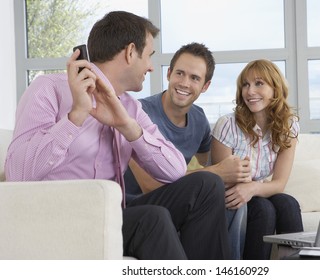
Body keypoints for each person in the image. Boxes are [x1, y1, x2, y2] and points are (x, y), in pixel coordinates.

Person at [5, 11, 231, 260]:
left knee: (206, 186)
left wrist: (126, 126)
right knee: (153, 219)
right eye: (149, 56)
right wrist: (76, 115)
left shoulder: (131, 109)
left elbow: (175, 170)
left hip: (112, 213)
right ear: (130, 52)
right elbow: (18, 174)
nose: (151, 66)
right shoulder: (48, 89)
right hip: (61, 216)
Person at [124, 42, 252, 259]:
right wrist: (217, 172)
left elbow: (199, 170)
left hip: (175, 204)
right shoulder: (139, 112)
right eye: (180, 73)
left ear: (205, 86)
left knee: (234, 198)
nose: (184, 83)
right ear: (169, 74)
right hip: (138, 204)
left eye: (194, 78)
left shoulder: (199, 119)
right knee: (210, 181)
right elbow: (150, 185)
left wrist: (236, 176)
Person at [211, 59, 304, 259]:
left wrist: (253, 188)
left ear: (275, 88)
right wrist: (251, 189)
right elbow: (224, 181)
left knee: (288, 204)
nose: (250, 91)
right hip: (228, 195)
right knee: (263, 209)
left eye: (259, 83)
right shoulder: (227, 124)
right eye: (245, 84)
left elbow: (279, 184)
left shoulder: (289, 125)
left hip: (253, 190)